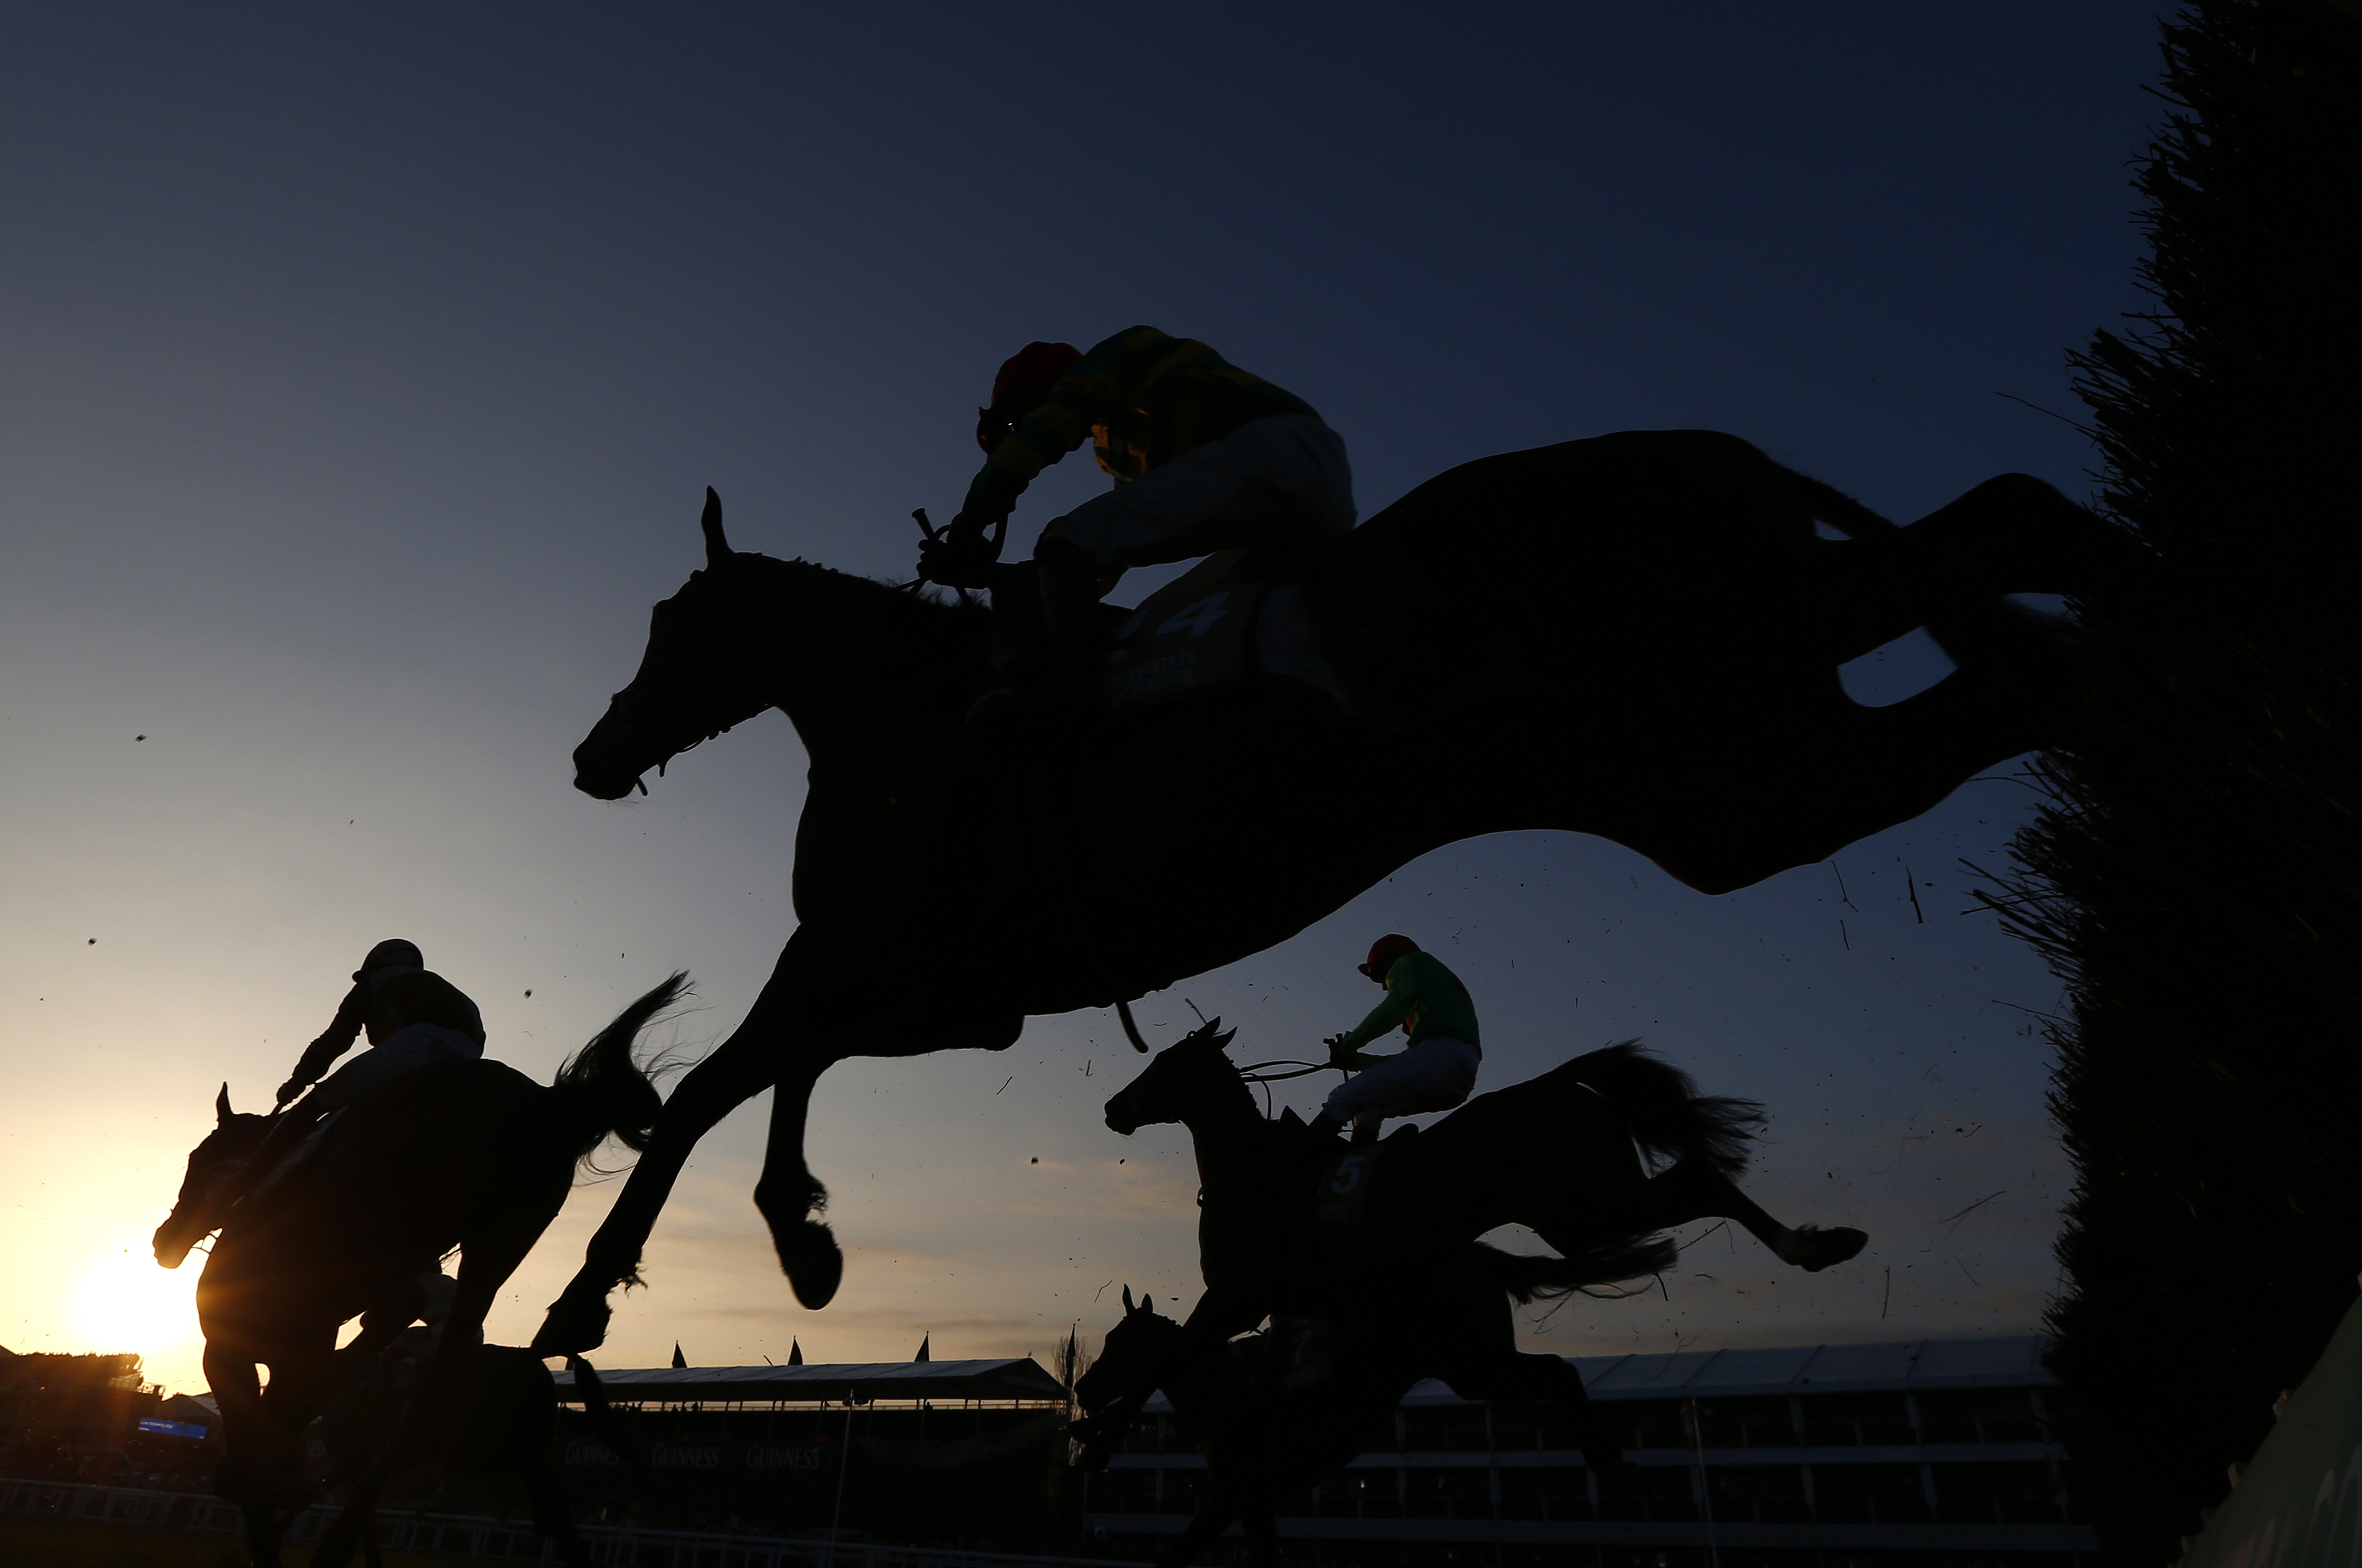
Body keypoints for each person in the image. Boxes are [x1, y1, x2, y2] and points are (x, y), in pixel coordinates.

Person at [920, 327, 1356, 709]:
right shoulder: (1117, 448)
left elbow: (1046, 434)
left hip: (1285, 450)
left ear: (1043, 388)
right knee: (1154, 623)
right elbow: (1103, 565)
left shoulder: (1120, 353)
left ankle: (1068, 695)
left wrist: (968, 526)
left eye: (1018, 421)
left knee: (1066, 536)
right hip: (1290, 519)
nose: (1020, 430)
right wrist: (994, 576)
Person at [234, 939, 487, 1199]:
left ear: (371, 967)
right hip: (467, 1060)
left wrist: (297, 1083)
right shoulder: (448, 992)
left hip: (415, 1046)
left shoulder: (374, 981)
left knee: (314, 1104)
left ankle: (240, 1187)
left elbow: (337, 1039)